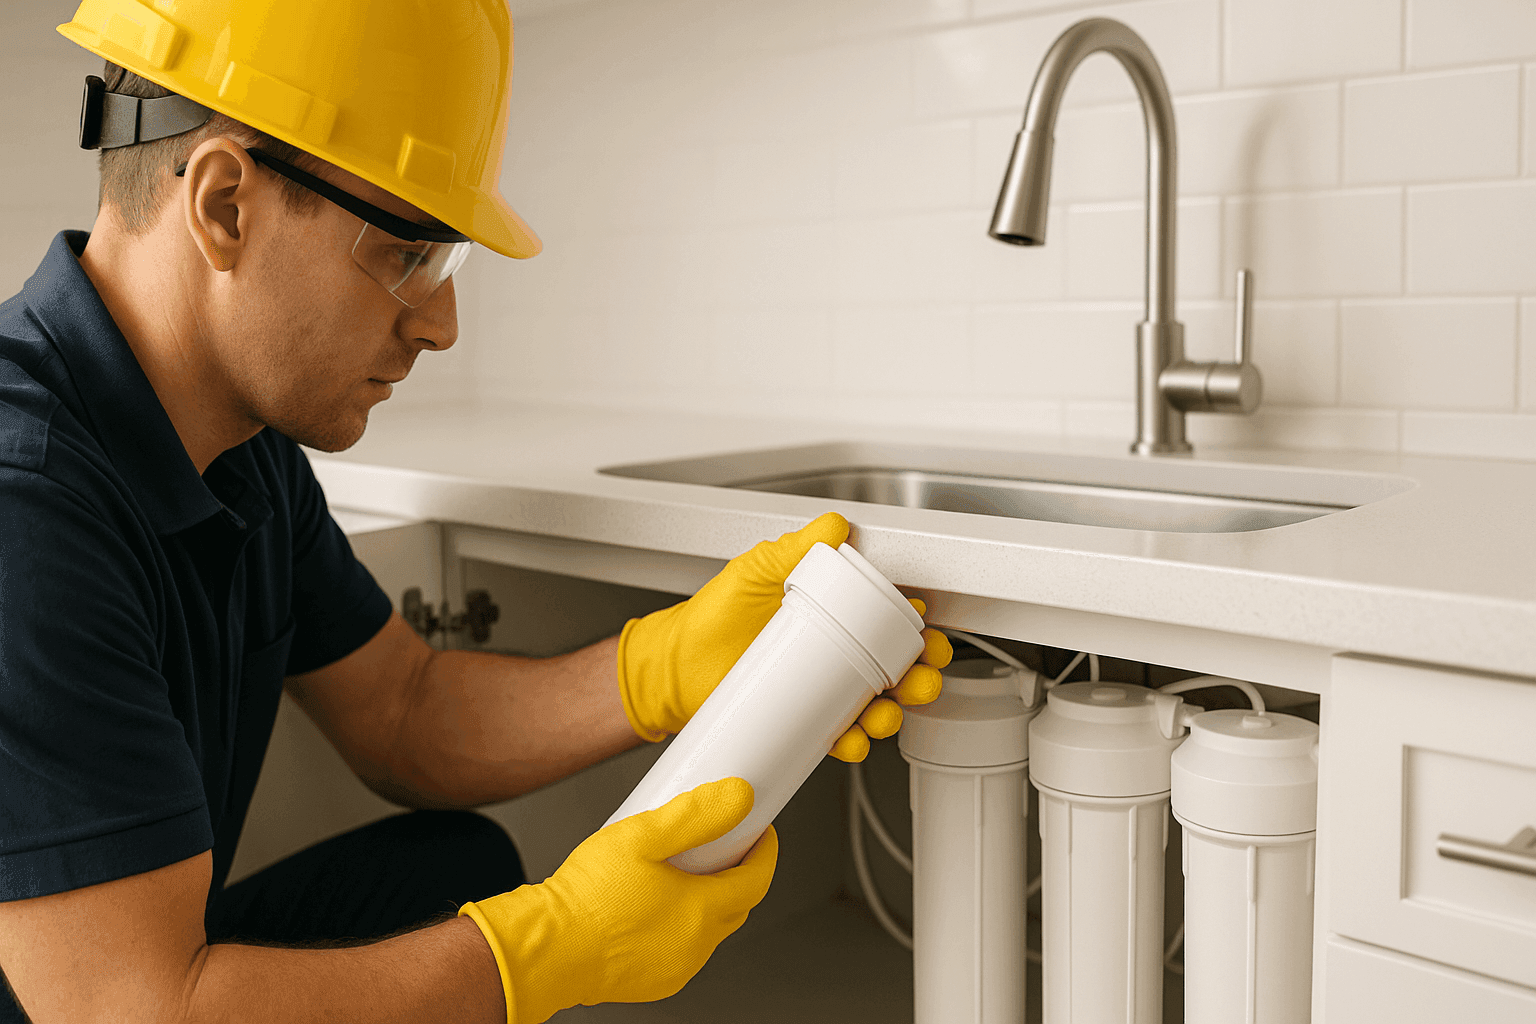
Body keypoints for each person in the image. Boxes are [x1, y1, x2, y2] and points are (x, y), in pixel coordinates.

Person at [0, 2, 952, 1022]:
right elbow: (134, 1010)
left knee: (457, 868)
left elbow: (402, 710)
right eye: (410, 252)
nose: (442, 323)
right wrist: (542, 955)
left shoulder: (239, 444)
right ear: (226, 205)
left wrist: (660, 669)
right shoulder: (27, 507)